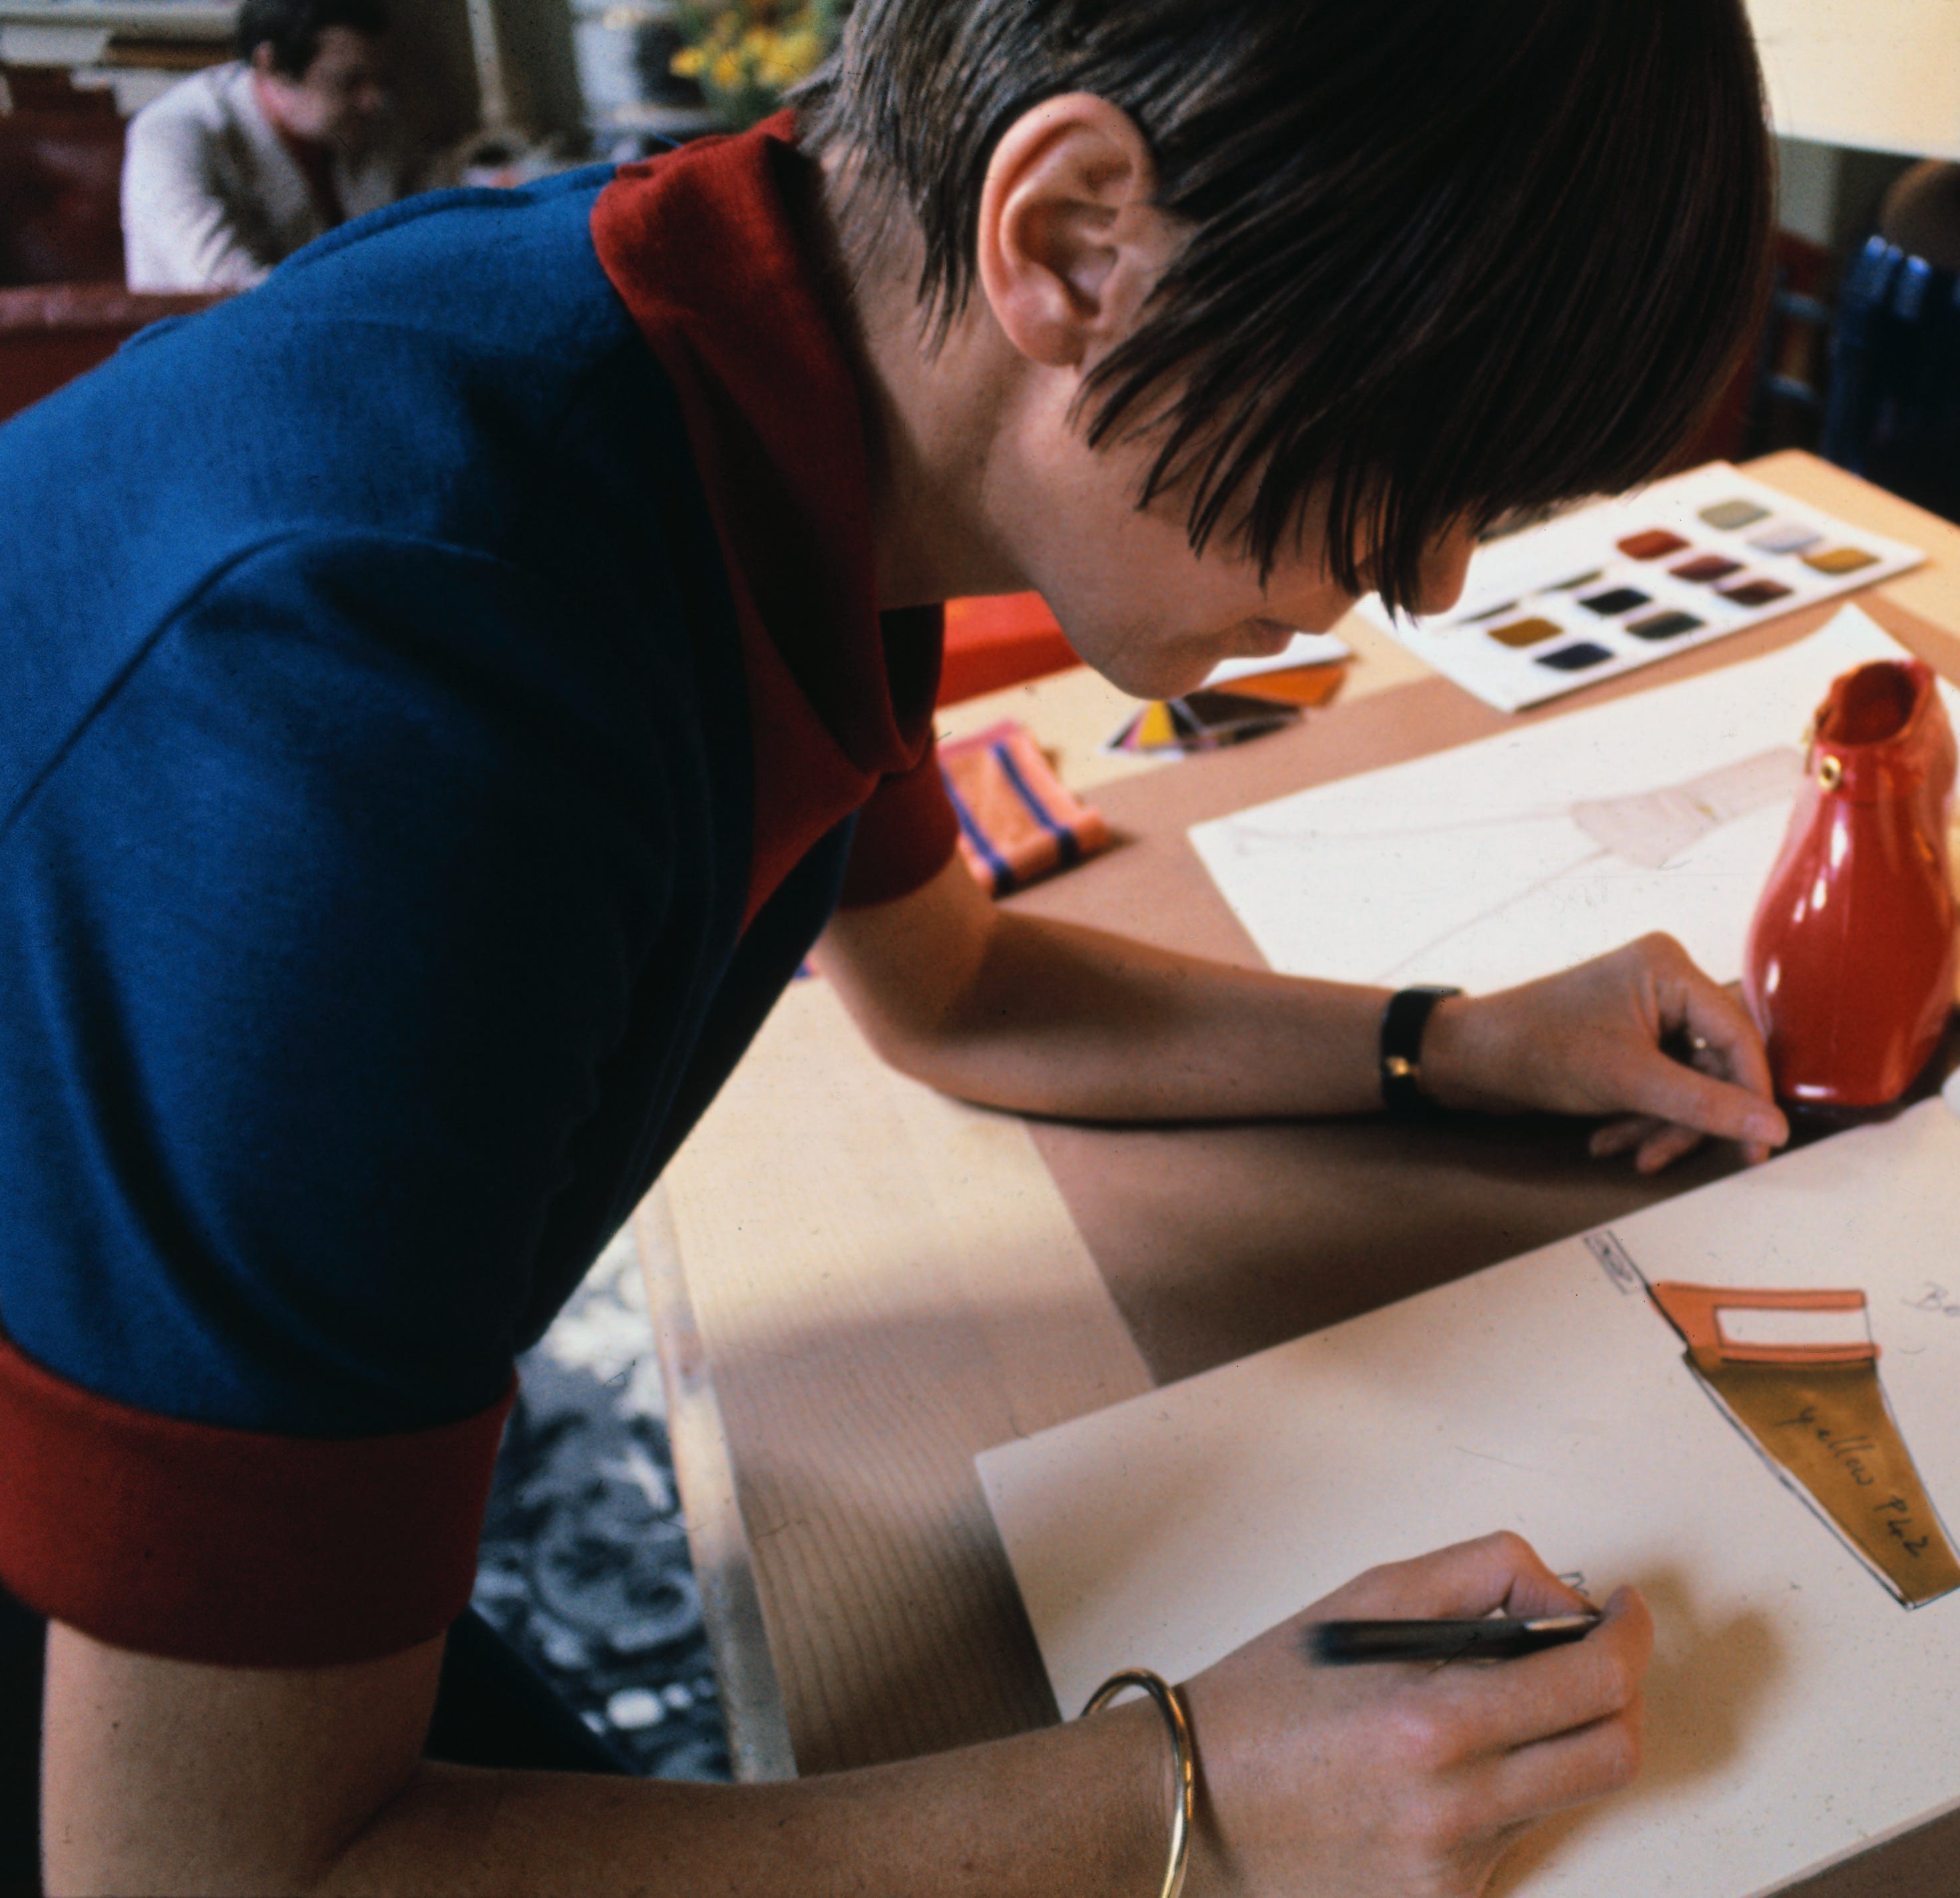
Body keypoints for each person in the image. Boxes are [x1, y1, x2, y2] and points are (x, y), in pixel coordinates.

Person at [0, 0, 1776, 1889]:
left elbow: (961, 993)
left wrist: (1456, 1039)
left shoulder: (756, 368)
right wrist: (1194, 1795)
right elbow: (198, 1873)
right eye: (1421, 459)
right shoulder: (402, 704)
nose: (1429, 577)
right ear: (1077, 239)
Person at [118, 0, 403, 292]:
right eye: (350, 81)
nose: (375, 101)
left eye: (381, 80)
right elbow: (226, 289)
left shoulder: (355, 124)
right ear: (272, 65)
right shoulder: (171, 132)